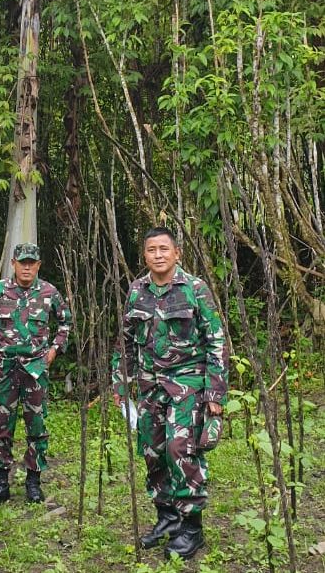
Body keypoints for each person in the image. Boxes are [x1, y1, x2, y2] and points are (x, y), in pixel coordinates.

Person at [112, 227, 228, 560]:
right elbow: (126, 341)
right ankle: (167, 518)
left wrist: (215, 394)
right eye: (152, 250)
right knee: (153, 450)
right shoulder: (137, 290)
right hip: (150, 386)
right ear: (144, 255)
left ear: (177, 253)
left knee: (181, 449)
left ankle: (192, 528)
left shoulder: (195, 289)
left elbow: (217, 341)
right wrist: (121, 383)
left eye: (164, 249)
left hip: (187, 384)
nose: (158, 255)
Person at [0, 242, 72, 506]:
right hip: (5, 369)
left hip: (35, 370)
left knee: (37, 427)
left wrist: (54, 350)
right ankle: (0, 483)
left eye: (32, 263)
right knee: (1, 426)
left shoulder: (49, 292)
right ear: (14, 264)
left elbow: (66, 322)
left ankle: (33, 482)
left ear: (38, 265)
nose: (27, 267)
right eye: (22, 262)